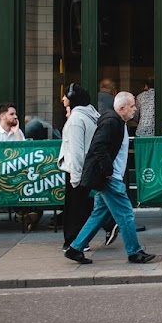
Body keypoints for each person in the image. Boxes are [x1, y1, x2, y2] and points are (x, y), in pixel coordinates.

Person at [64, 91, 156, 265]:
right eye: (132, 106)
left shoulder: (117, 121)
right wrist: (108, 170)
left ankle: (75, 248)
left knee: (99, 214)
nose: (135, 109)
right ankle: (134, 252)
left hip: (108, 176)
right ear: (121, 108)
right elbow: (98, 146)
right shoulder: (112, 122)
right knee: (126, 214)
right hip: (110, 178)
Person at [0, 102, 41, 231]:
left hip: (17, 172)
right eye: (12, 114)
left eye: (15, 114)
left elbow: (25, 153)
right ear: (2, 116)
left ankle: (28, 212)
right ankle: (25, 213)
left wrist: (17, 132)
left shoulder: (17, 132)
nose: (15, 117)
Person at [58, 84, 100, 251]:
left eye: (65, 96)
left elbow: (76, 150)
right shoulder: (89, 115)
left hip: (77, 170)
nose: (63, 98)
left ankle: (73, 241)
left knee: (74, 208)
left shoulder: (76, 119)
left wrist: (75, 178)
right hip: (86, 168)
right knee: (84, 205)